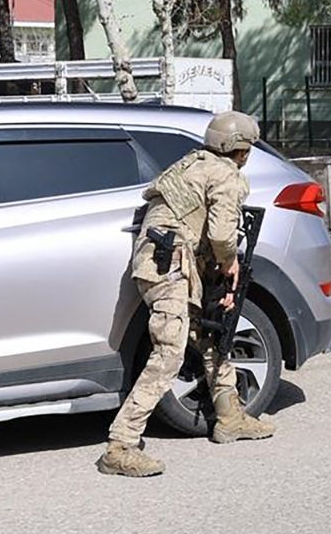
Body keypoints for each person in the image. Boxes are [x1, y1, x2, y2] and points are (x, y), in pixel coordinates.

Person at [97, 109, 276, 477]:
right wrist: (229, 263)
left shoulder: (190, 164)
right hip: (171, 265)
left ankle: (229, 415)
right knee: (169, 353)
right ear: (242, 150)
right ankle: (120, 445)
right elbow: (223, 235)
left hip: (168, 261)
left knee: (208, 334)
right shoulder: (226, 174)